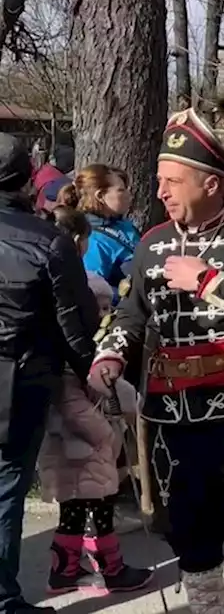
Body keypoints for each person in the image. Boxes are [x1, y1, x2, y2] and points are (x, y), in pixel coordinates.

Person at [86, 110, 224, 613]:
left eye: (173, 182)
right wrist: (111, 355)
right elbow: (131, 314)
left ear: (211, 184)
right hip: (171, 417)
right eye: (158, 182)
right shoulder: (151, 244)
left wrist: (207, 281)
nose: (162, 192)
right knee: (190, 532)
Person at [0, 134, 99, 614]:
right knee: (6, 486)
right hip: (19, 379)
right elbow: (75, 324)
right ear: (26, 178)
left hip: (20, 374)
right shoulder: (48, 240)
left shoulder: (47, 239)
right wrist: (93, 372)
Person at [40, 206, 151, 596]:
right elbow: (74, 393)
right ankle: (110, 567)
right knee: (96, 502)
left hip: (78, 430)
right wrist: (105, 433)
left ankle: (66, 566)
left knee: (78, 506)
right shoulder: (69, 303)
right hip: (82, 429)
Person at [59, 165, 140, 302]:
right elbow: (94, 289)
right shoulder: (91, 238)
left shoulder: (124, 225)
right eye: (121, 190)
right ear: (100, 196)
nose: (128, 195)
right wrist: (129, 297)